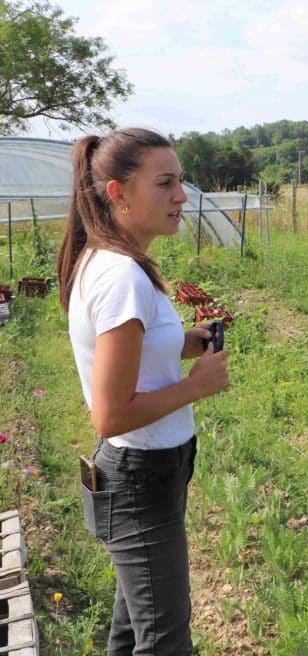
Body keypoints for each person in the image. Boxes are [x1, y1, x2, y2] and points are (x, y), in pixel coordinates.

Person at [56, 127, 229, 655]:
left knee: (134, 630)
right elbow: (109, 414)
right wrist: (196, 387)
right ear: (118, 193)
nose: (181, 196)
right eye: (166, 183)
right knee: (165, 642)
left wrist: (182, 344)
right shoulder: (122, 277)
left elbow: (127, 355)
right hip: (140, 477)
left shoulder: (113, 263)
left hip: (148, 470)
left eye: (181, 181)